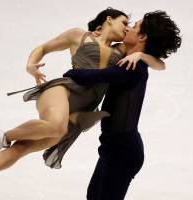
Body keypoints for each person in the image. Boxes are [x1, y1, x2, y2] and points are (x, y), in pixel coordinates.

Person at [0, 8, 164, 171]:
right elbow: (43, 48)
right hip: (64, 90)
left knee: (20, 149)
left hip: (80, 110)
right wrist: (30, 66)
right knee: (56, 126)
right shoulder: (79, 35)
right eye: (124, 22)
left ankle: (5, 139)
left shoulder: (122, 50)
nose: (127, 28)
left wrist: (141, 56)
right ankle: (4, 136)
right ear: (109, 19)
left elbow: (160, 64)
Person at [62, 10, 182, 200]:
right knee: (93, 196)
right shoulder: (129, 57)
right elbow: (160, 63)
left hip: (123, 152)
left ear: (142, 36)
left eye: (134, 27)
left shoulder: (131, 69)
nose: (128, 28)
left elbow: (89, 77)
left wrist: (71, 71)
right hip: (112, 146)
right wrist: (141, 54)